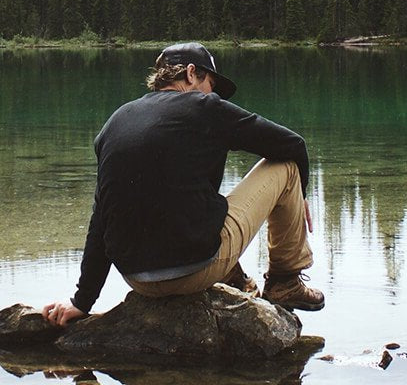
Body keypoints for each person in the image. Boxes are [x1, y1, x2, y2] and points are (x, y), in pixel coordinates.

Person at [41, 42, 325, 327]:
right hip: (193, 271)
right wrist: (299, 193)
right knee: (286, 168)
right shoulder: (205, 108)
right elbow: (293, 145)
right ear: (191, 74)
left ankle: (236, 282)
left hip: (137, 279)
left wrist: (82, 301)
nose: (213, 94)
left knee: (185, 195)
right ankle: (284, 283)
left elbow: (100, 220)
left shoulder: (115, 122)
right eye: (210, 84)